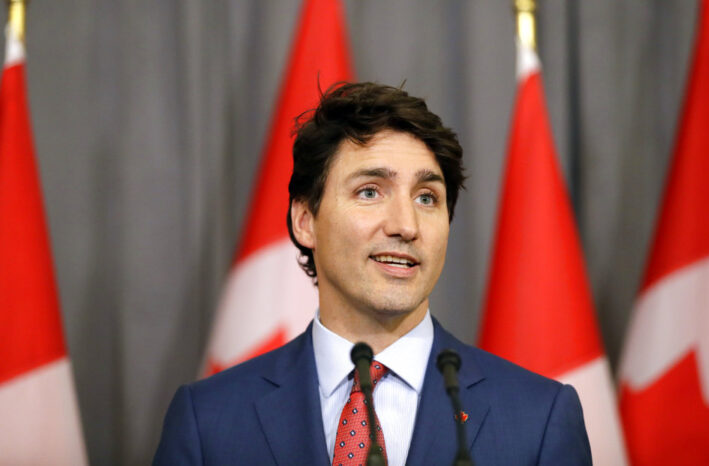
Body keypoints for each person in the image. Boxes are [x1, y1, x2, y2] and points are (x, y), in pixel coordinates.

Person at [153, 82, 591, 465]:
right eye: (369, 191)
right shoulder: (208, 420)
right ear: (305, 220)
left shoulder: (539, 418)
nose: (405, 225)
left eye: (426, 198)